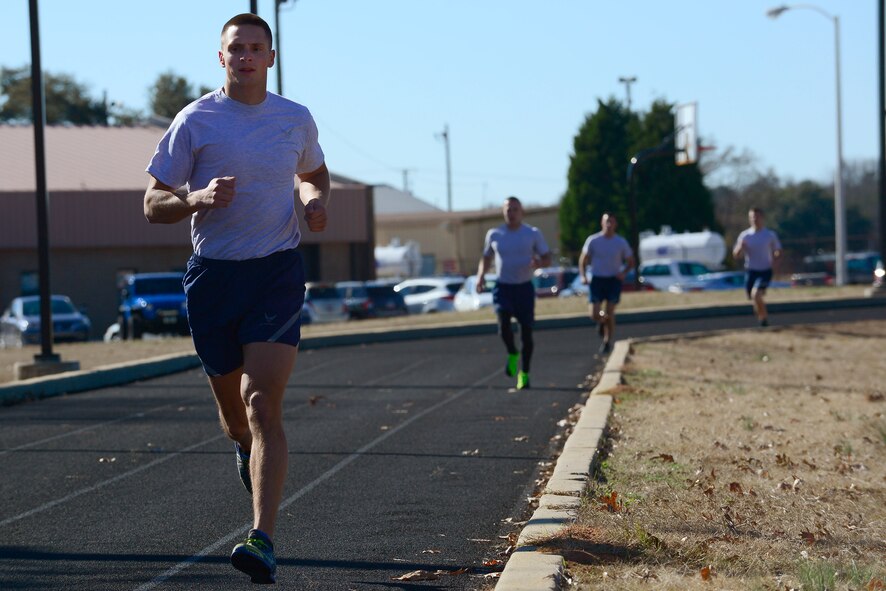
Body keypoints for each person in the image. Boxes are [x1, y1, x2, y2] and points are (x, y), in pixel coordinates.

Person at [143, 13, 330, 584]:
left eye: (256, 48)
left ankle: (263, 539)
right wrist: (195, 197)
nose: (246, 56)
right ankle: (247, 452)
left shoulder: (294, 119)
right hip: (213, 279)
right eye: (236, 49)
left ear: (270, 58)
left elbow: (315, 174)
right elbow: (152, 203)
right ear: (220, 58)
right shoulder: (194, 121)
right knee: (234, 419)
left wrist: (312, 199)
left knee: (260, 402)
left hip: (275, 271)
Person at [476, 197, 552, 390]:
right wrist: (480, 276)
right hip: (503, 287)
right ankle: (512, 352)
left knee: (526, 334)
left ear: (522, 212)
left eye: (515, 209)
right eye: (508, 210)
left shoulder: (532, 233)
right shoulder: (495, 234)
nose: (512, 213)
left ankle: (524, 373)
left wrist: (539, 263)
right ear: (503, 212)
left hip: (524, 288)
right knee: (503, 327)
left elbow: (547, 258)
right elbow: (485, 258)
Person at [578, 212, 634, 355]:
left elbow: (630, 261)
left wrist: (624, 272)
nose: (609, 225)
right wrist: (583, 276)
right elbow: (583, 259)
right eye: (606, 221)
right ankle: (601, 322)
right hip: (597, 279)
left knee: (610, 311)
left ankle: (607, 341)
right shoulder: (593, 240)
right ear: (602, 223)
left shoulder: (620, 242)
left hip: (613, 280)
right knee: (594, 314)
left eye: (612, 222)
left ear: (616, 224)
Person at [733, 207, 782, 327]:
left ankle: (763, 320)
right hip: (751, 271)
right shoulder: (745, 235)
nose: (754, 219)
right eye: (752, 217)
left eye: (757, 217)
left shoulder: (769, 235)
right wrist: (740, 247)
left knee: (756, 294)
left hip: (765, 270)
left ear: (762, 218)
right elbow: (736, 255)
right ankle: (761, 317)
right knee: (753, 297)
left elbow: (778, 250)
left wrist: (776, 256)